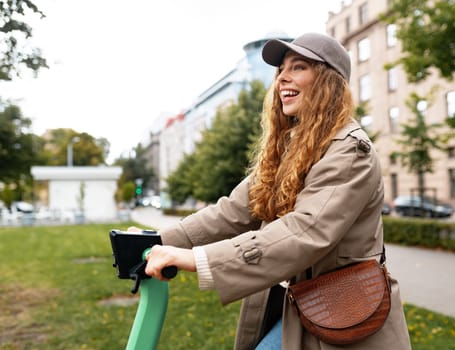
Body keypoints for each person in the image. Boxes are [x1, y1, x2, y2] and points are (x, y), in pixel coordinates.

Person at [139, 32, 411, 349]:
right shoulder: (289, 148)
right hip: (295, 306)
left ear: (328, 81)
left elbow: (304, 232)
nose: (283, 77)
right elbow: (234, 211)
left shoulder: (351, 151)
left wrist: (200, 260)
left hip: (340, 315)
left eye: (298, 67)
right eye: (281, 69)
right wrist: (157, 241)